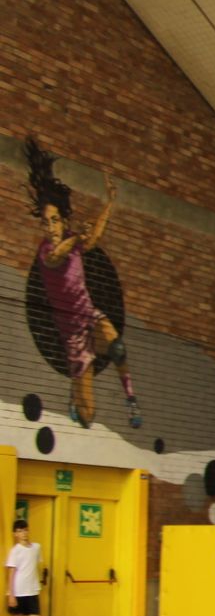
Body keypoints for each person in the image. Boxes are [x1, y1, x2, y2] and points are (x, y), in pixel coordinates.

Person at [25, 140, 138, 429]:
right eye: (46, 222)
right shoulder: (46, 251)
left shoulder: (73, 241)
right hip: (72, 333)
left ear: (63, 220)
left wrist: (109, 204)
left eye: (54, 221)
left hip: (90, 316)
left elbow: (94, 238)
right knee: (88, 414)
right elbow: (58, 255)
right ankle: (76, 400)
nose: (49, 228)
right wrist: (76, 238)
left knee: (117, 347)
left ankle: (130, 399)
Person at [6, 521, 55, 616]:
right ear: (15, 534)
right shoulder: (14, 551)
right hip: (18, 591)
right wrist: (11, 595)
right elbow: (11, 573)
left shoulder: (36, 547)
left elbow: (35, 567)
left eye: (26, 530)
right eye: (20, 531)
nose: (24, 533)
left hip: (32, 590)